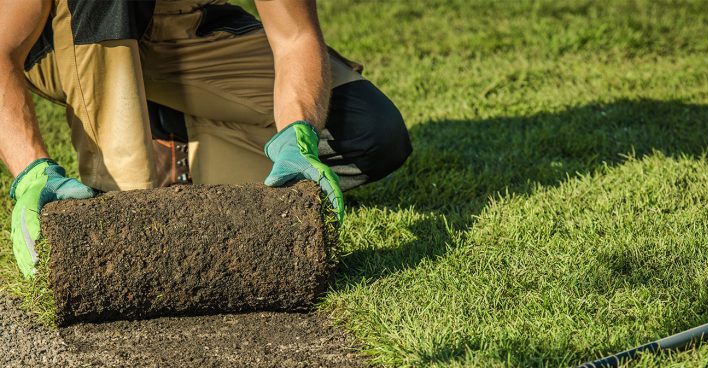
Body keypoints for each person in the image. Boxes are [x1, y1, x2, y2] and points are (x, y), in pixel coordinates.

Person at [1, 0, 412, 277]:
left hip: (185, 29)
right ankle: (122, 201)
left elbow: (296, 38)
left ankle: (172, 136)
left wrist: (297, 135)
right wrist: (31, 171)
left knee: (369, 134)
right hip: (69, 35)